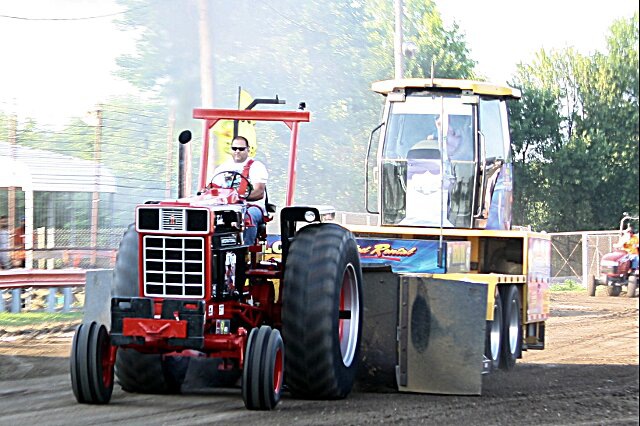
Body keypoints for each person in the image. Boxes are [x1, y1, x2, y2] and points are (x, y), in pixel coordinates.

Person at [211, 136, 268, 245]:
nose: (237, 151)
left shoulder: (256, 166)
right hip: (225, 206)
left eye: (241, 149)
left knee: (248, 217)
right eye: (234, 148)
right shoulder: (222, 168)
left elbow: (259, 192)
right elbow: (213, 188)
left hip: (251, 206)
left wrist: (238, 198)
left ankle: (247, 248)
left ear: (248, 149)